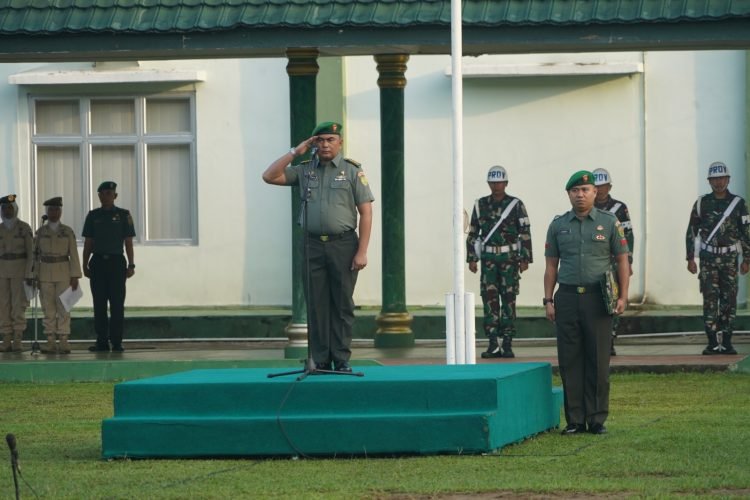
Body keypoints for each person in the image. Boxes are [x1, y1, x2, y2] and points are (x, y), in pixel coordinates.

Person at [262, 121, 374, 372]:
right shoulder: (304, 170)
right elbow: (269, 176)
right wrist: (295, 152)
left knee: (342, 304)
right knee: (317, 304)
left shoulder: (352, 171)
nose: (325, 144)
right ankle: (321, 359)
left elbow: (366, 212)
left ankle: (341, 358)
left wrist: (362, 251)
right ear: (314, 144)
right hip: (312, 245)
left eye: (330, 140)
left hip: (343, 245)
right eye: (320, 140)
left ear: (340, 143)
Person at [544, 171, 630, 435]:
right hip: (567, 297)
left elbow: (622, 260)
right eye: (575, 191)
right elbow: (551, 266)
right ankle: (575, 419)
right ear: (568, 194)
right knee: (570, 360)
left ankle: (596, 419)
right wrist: (548, 299)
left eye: (585, 190)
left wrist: (623, 296)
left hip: (598, 298)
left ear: (595, 193)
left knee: (598, 359)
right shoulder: (558, 225)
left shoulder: (610, 221)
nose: (580, 195)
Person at [466, 165, 532, 358]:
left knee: (509, 300)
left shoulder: (516, 204)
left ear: (506, 183)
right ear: (488, 183)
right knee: (489, 299)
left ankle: (508, 342)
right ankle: (493, 342)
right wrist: (472, 258)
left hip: (510, 259)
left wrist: (525, 258)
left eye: (500, 182)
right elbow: (473, 232)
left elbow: (525, 232)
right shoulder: (480, 205)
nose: (496, 186)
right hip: (488, 261)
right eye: (493, 182)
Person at [685, 161, 750, 355]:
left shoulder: (739, 204)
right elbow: (691, 231)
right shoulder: (701, 203)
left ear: (728, 179)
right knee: (710, 300)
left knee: (729, 300)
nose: (718, 183)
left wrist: (747, 258)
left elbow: (746, 232)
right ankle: (712, 342)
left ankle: (728, 341)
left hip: (730, 259)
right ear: (709, 181)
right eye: (714, 179)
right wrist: (690, 258)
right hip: (708, 259)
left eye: (722, 178)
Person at [82, 182, 136, 353]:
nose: (106, 196)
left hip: (116, 263)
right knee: (99, 304)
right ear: (99, 196)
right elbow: (88, 243)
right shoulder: (93, 216)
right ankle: (102, 342)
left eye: (109, 193)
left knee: (117, 304)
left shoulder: (123, 215)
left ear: (115, 195)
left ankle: (117, 342)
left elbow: (128, 242)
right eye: (103, 193)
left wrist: (131, 264)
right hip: (98, 263)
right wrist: (84, 264)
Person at [592, 168, 634, 356]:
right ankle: (595, 340)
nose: (600, 190)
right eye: (597, 186)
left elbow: (629, 235)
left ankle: (610, 339)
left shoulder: (619, 208)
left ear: (609, 186)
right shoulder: (586, 207)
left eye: (603, 186)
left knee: (614, 299)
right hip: (594, 261)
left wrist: (628, 261)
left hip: (615, 262)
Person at [33, 197, 82, 354]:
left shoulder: (67, 231)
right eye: (51, 210)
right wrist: (33, 275)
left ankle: (63, 340)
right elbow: (34, 256)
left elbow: (73, 254)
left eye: (57, 209)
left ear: (60, 211)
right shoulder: (40, 232)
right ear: (47, 212)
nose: (54, 213)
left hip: (63, 273)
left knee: (64, 306)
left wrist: (75, 276)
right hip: (45, 272)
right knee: (48, 308)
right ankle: (50, 340)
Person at [0, 194, 34, 353]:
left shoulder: (24, 228)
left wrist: (30, 274)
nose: (7, 210)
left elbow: (31, 253)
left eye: (10, 208)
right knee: (3, 305)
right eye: (4, 208)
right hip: (2, 270)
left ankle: (18, 338)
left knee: (18, 304)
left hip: (20, 269)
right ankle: (6, 338)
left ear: (15, 209)